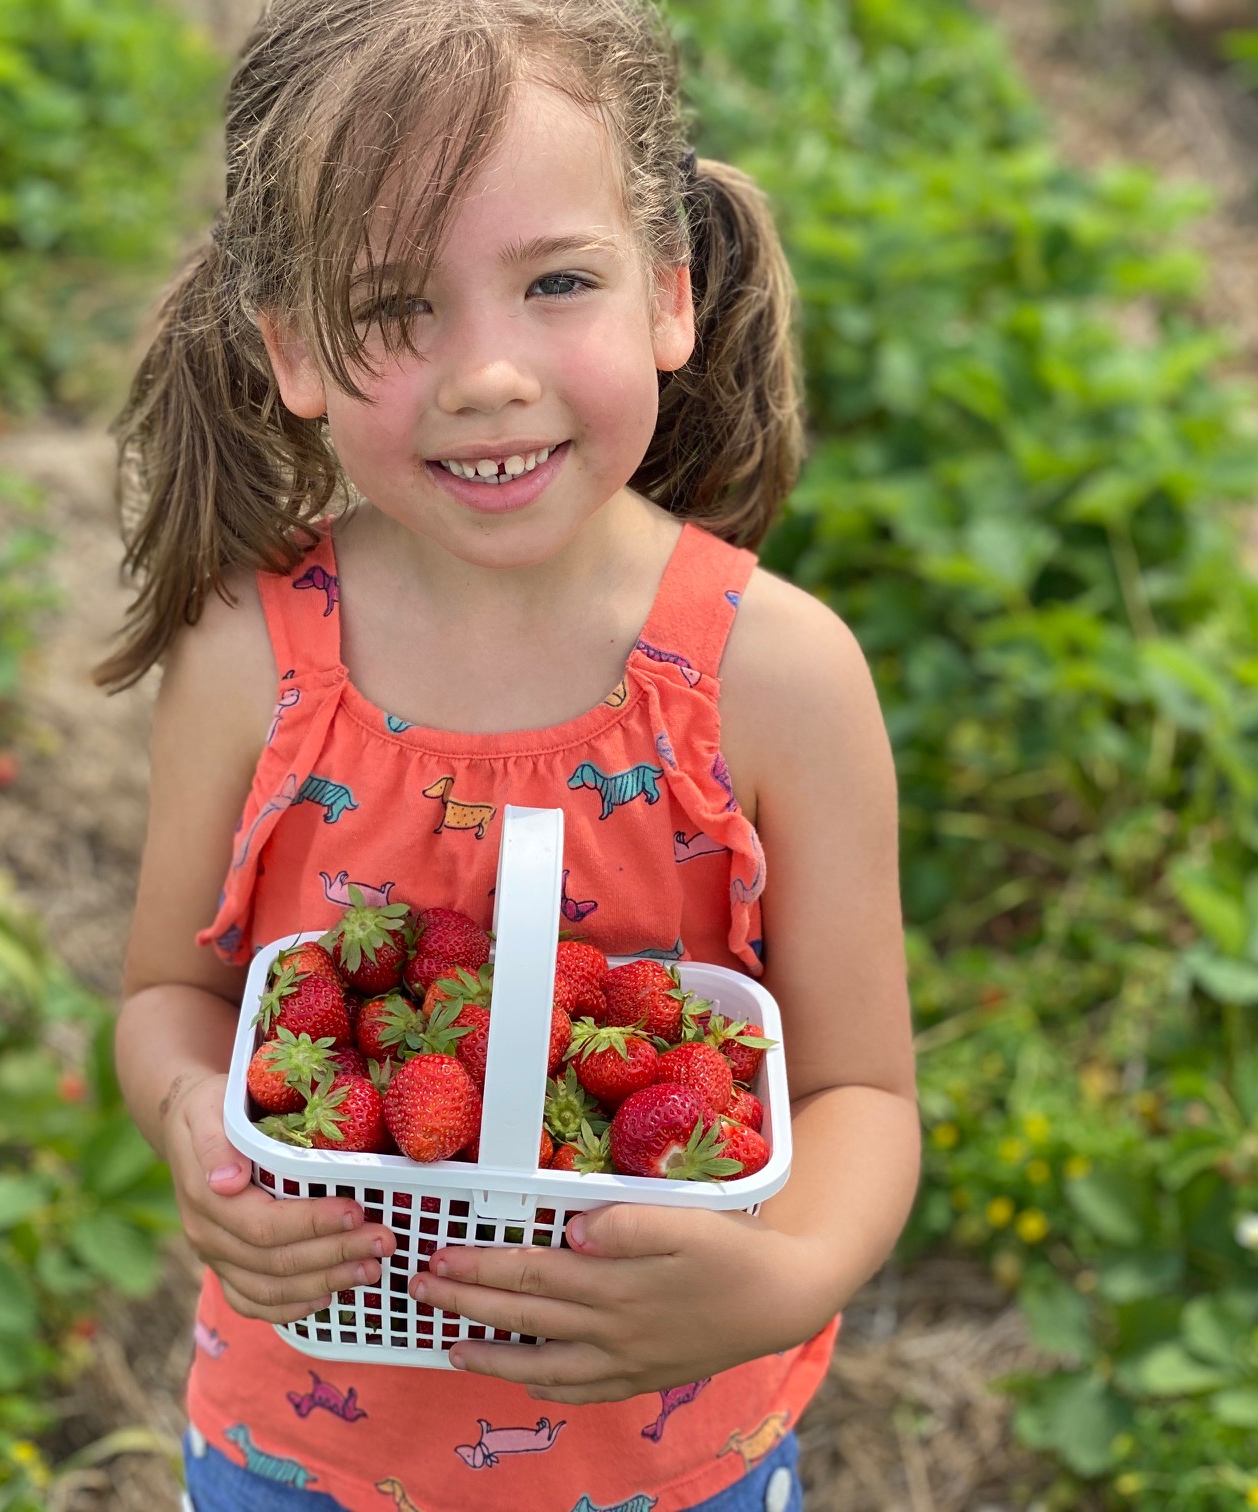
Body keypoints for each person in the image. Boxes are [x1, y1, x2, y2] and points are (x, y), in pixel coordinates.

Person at [103, 1, 918, 1507]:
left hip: (673, 1453)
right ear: (292, 351)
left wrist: (782, 1277)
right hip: (308, 1448)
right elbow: (172, 995)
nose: (488, 374)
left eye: (557, 282)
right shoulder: (249, 654)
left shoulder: (778, 678)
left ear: (669, 294)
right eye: (397, 310)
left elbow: (863, 1090)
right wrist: (202, 1139)